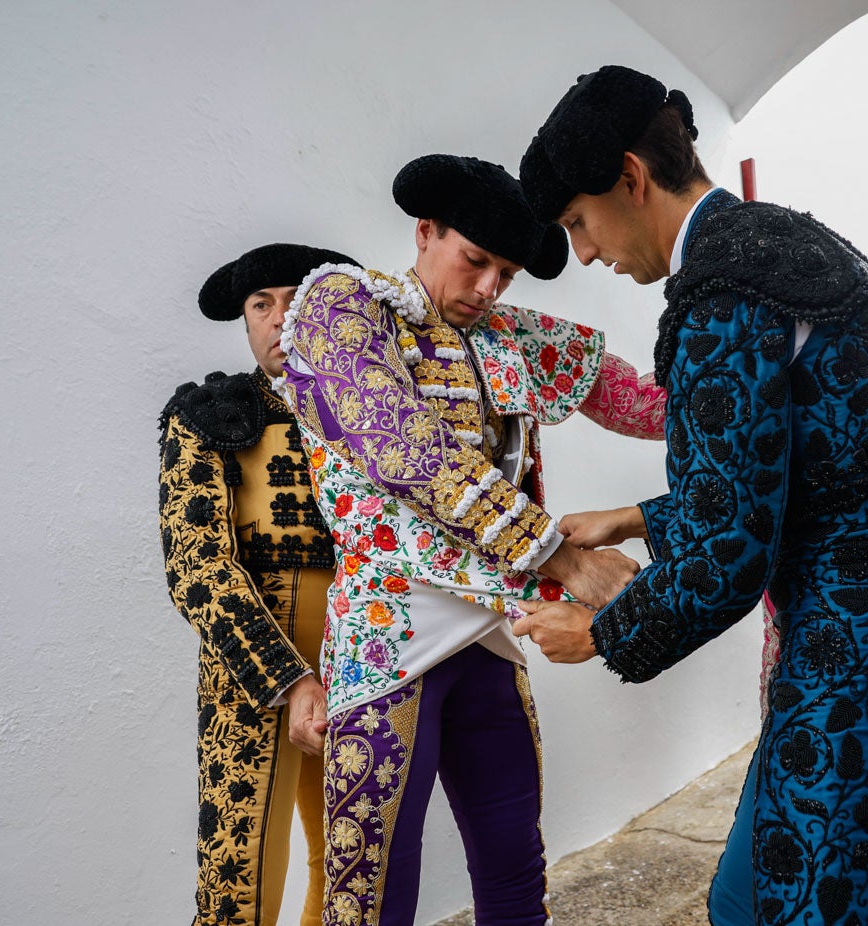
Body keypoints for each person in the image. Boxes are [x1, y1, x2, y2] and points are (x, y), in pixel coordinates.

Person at [511, 64, 868, 926]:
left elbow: (731, 549)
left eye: (577, 222)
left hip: (854, 637)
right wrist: (637, 518)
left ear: (630, 178)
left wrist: (604, 630)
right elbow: (816, 468)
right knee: (758, 895)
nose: (587, 253)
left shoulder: (722, 291)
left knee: (799, 908)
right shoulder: (789, 242)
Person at [274, 154, 662, 926]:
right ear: (425, 232)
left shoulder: (508, 335)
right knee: (369, 888)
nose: (487, 289)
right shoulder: (341, 305)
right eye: (474, 260)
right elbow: (405, 449)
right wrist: (562, 560)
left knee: (513, 864)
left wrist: (754, 384)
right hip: (386, 632)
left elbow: (637, 401)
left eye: (506, 274)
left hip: (489, 630)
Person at [159, 242, 355, 926]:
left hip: (363, 659)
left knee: (353, 871)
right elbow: (196, 567)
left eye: (296, 302)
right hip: (251, 676)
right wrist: (289, 678)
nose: (278, 319)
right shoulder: (208, 414)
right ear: (245, 321)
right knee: (236, 886)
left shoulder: (372, 411)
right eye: (260, 305)